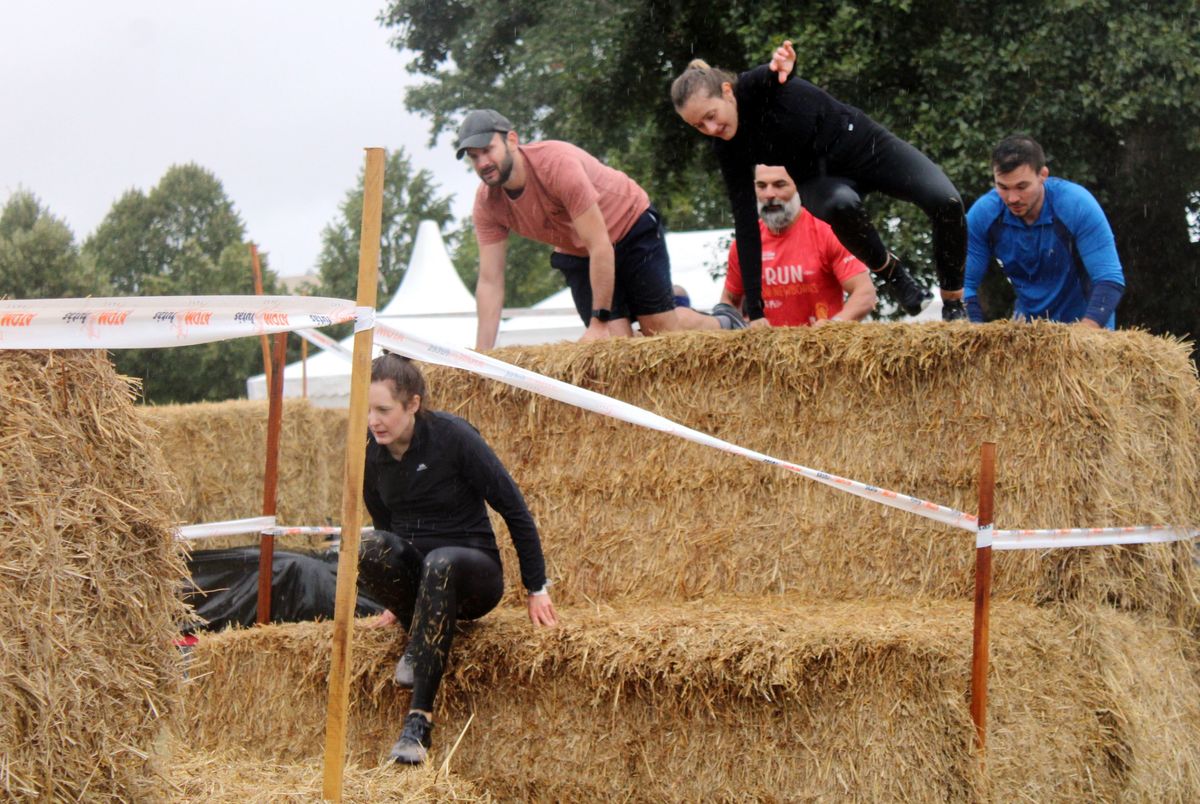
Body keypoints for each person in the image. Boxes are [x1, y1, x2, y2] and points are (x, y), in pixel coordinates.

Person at [671, 41, 967, 322]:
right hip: (818, 178)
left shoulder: (751, 86)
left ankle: (953, 303)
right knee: (841, 205)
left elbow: (775, 74)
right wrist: (758, 312)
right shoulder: (727, 148)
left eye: (711, 115)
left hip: (866, 145)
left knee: (947, 202)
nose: (711, 128)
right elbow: (746, 224)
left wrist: (784, 63)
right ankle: (891, 272)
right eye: (699, 125)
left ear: (727, 91)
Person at [357, 353, 557, 765]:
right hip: (422, 579)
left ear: (412, 404)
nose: (373, 420)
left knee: (440, 563)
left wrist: (536, 588)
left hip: (472, 575)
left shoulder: (453, 436)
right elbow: (384, 525)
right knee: (367, 547)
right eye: (366, 409)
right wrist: (397, 602)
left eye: (383, 409)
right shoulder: (371, 455)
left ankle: (419, 722)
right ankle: (418, 629)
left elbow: (514, 508)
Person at [455, 109, 746, 350]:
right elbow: (490, 283)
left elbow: (600, 245)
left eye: (487, 150)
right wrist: (482, 357)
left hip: (630, 226)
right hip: (578, 252)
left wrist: (597, 322)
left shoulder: (557, 165)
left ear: (512, 141)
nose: (483, 163)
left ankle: (725, 321)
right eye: (473, 157)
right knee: (614, 344)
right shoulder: (486, 204)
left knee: (659, 331)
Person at [964, 135, 1125, 328]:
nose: (1012, 198)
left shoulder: (1076, 204)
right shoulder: (984, 214)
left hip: (1087, 321)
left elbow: (1109, 279)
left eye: (1022, 186)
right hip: (1029, 325)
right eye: (1003, 187)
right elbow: (964, 285)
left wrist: (1084, 335)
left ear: (1043, 175)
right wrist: (973, 333)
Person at [721, 165, 876, 326]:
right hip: (768, 349)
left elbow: (865, 292)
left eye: (779, 185)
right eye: (761, 186)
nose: (769, 194)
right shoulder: (745, 244)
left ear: (798, 186)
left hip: (821, 346)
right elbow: (729, 301)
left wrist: (835, 325)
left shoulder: (826, 232)